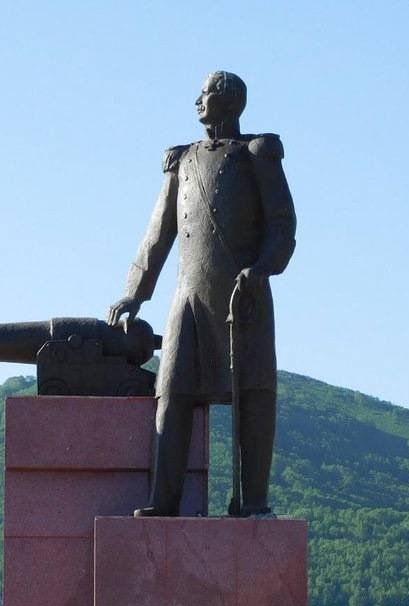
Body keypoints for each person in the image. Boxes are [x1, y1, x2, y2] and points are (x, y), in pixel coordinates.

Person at [107, 71, 296, 517]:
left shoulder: (258, 154)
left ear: (229, 101)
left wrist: (262, 268)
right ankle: (163, 500)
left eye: (206, 93)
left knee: (252, 394)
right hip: (188, 299)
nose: (197, 100)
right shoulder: (182, 161)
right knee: (171, 393)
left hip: (242, 296)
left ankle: (253, 501)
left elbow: (283, 227)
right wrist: (135, 293)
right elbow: (158, 234)